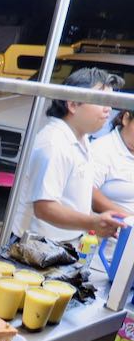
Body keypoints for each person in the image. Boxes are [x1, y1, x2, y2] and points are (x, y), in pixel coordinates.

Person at [10, 67, 129, 243]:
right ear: (73, 104)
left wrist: (97, 220)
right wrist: (92, 222)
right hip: (31, 246)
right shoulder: (54, 142)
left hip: (59, 244)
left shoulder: (82, 138)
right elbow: (44, 208)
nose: (108, 109)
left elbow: (73, 200)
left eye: (110, 102)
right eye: (101, 100)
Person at [92, 109, 134, 213]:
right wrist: (128, 218)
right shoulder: (102, 149)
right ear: (126, 119)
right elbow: (87, 190)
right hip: (117, 224)